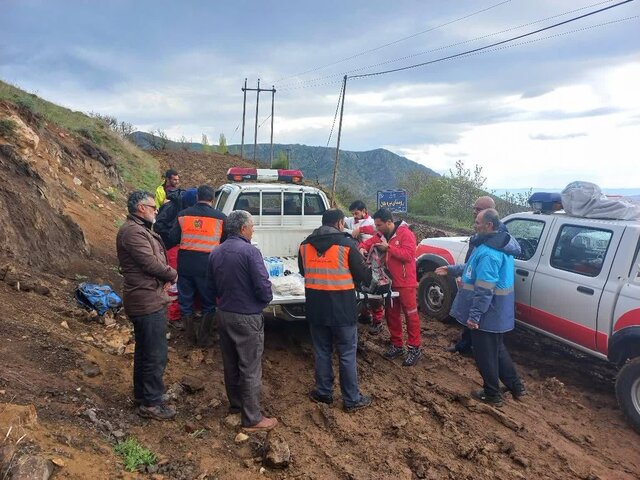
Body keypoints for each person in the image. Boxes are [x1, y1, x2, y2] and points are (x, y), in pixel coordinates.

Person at [437, 209, 526, 407]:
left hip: (487, 313)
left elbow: (485, 289)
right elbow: (471, 268)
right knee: (497, 350)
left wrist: (474, 317)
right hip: (497, 312)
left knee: (484, 353)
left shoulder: (489, 253)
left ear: (489, 226)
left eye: (477, 222)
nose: (474, 225)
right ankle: (516, 386)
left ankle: (492, 394)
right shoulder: (496, 243)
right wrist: (451, 270)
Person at [206, 210, 278, 431]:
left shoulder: (215, 252)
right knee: (250, 367)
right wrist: (265, 300)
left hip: (224, 313)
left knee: (231, 363)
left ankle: (236, 405)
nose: (253, 229)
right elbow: (263, 285)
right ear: (243, 228)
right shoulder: (250, 252)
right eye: (252, 226)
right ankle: (252, 418)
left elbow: (210, 287)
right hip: (247, 316)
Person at [299, 209, 373, 412]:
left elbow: (303, 271)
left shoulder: (305, 245)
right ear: (340, 223)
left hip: (316, 307)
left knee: (322, 351)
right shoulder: (347, 244)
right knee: (347, 353)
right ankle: (351, 399)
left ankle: (323, 393)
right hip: (342, 309)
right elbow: (364, 276)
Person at [116, 190, 178, 420]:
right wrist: (171, 273)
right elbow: (149, 263)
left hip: (148, 297)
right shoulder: (133, 232)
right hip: (145, 300)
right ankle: (151, 404)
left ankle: (144, 395)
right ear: (141, 208)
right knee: (155, 353)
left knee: (145, 350)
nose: (156, 211)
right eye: (153, 207)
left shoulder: (138, 230)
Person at [360, 208, 422, 367]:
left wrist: (389, 248)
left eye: (379, 225)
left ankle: (414, 348)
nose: (377, 228)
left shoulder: (405, 234)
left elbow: (408, 255)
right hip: (389, 282)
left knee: (411, 315)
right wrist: (362, 247)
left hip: (406, 282)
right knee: (392, 314)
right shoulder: (382, 234)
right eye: (376, 225)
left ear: (389, 222)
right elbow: (370, 241)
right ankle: (397, 344)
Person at [169, 185, 226, 345]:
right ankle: (203, 338)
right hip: (207, 267)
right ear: (212, 199)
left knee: (185, 301)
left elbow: (173, 238)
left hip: (186, 266)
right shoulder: (221, 218)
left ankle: (189, 337)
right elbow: (226, 243)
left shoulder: (183, 215)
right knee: (209, 303)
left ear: (197, 197)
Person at [154, 187, 197, 329]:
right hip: (173, 247)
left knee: (185, 281)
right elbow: (159, 226)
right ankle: (172, 316)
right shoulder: (173, 208)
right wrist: (174, 236)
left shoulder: (183, 208)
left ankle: (185, 312)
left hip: (184, 248)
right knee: (174, 282)